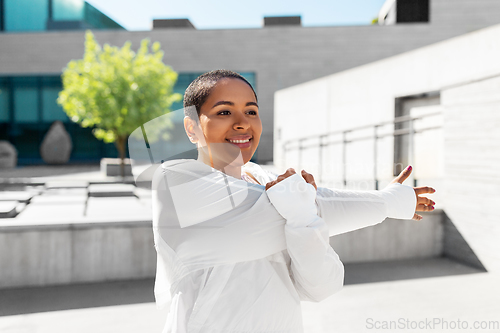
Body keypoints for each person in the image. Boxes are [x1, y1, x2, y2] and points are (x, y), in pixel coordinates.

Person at [151, 69, 435, 333]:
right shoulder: (176, 183)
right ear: (192, 128)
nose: (242, 123)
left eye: (251, 111)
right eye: (224, 111)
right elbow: (309, 208)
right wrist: (385, 203)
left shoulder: (265, 181)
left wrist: (304, 215)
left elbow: (322, 285)